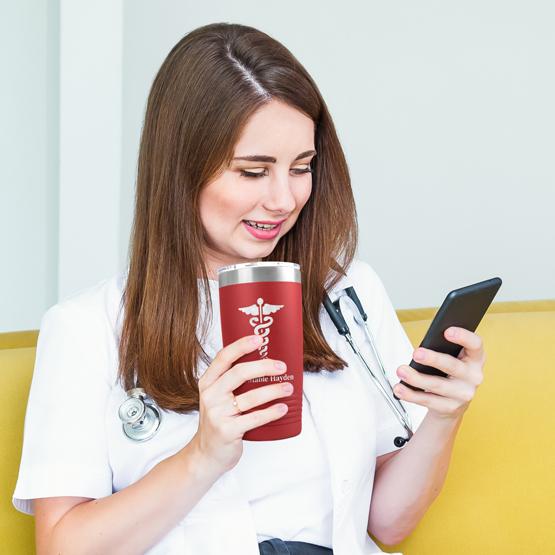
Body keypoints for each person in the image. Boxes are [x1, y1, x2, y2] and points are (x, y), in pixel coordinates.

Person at [13, 22, 487, 555]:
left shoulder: (347, 293)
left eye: (301, 167)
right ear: (181, 170)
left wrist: (445, 416)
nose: (284, 199)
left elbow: (389, 524)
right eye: (253, 172)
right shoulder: (86, 328)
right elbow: (61, 548)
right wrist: (204, 454)